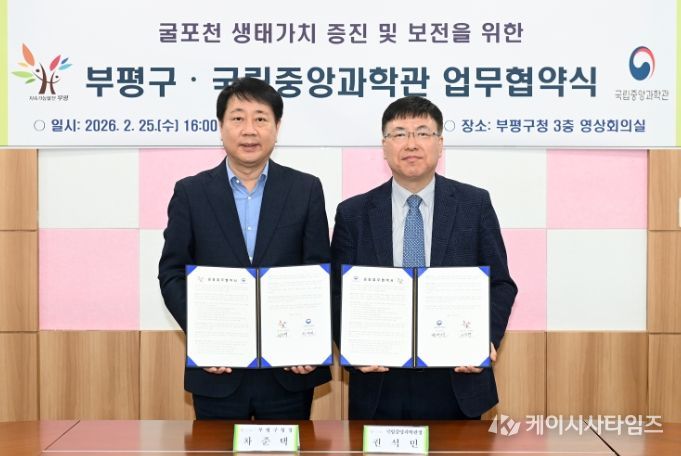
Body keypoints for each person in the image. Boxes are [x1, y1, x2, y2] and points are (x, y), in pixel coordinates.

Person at [331, 96, 517, 420]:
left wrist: (483, 338)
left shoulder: (474, 204)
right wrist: (352, 346)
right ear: (384, 146)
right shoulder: (353, 213)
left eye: (422, 133)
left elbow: (501, 284)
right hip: (379, 380)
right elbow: (335, 292)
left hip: (456, 378)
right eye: (399, 134)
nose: (411, 144)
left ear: (440, 144)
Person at [159, 77, 331, 419]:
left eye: (261, 118)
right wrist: (205, 335)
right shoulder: (191, 192)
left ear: (277, 128)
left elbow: (319, 274)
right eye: (237, 118)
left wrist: (309, 342)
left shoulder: (305, 189)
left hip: (289, 371)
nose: (249, 129)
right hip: (217, 369)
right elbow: (172, 273)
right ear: (221, 127)